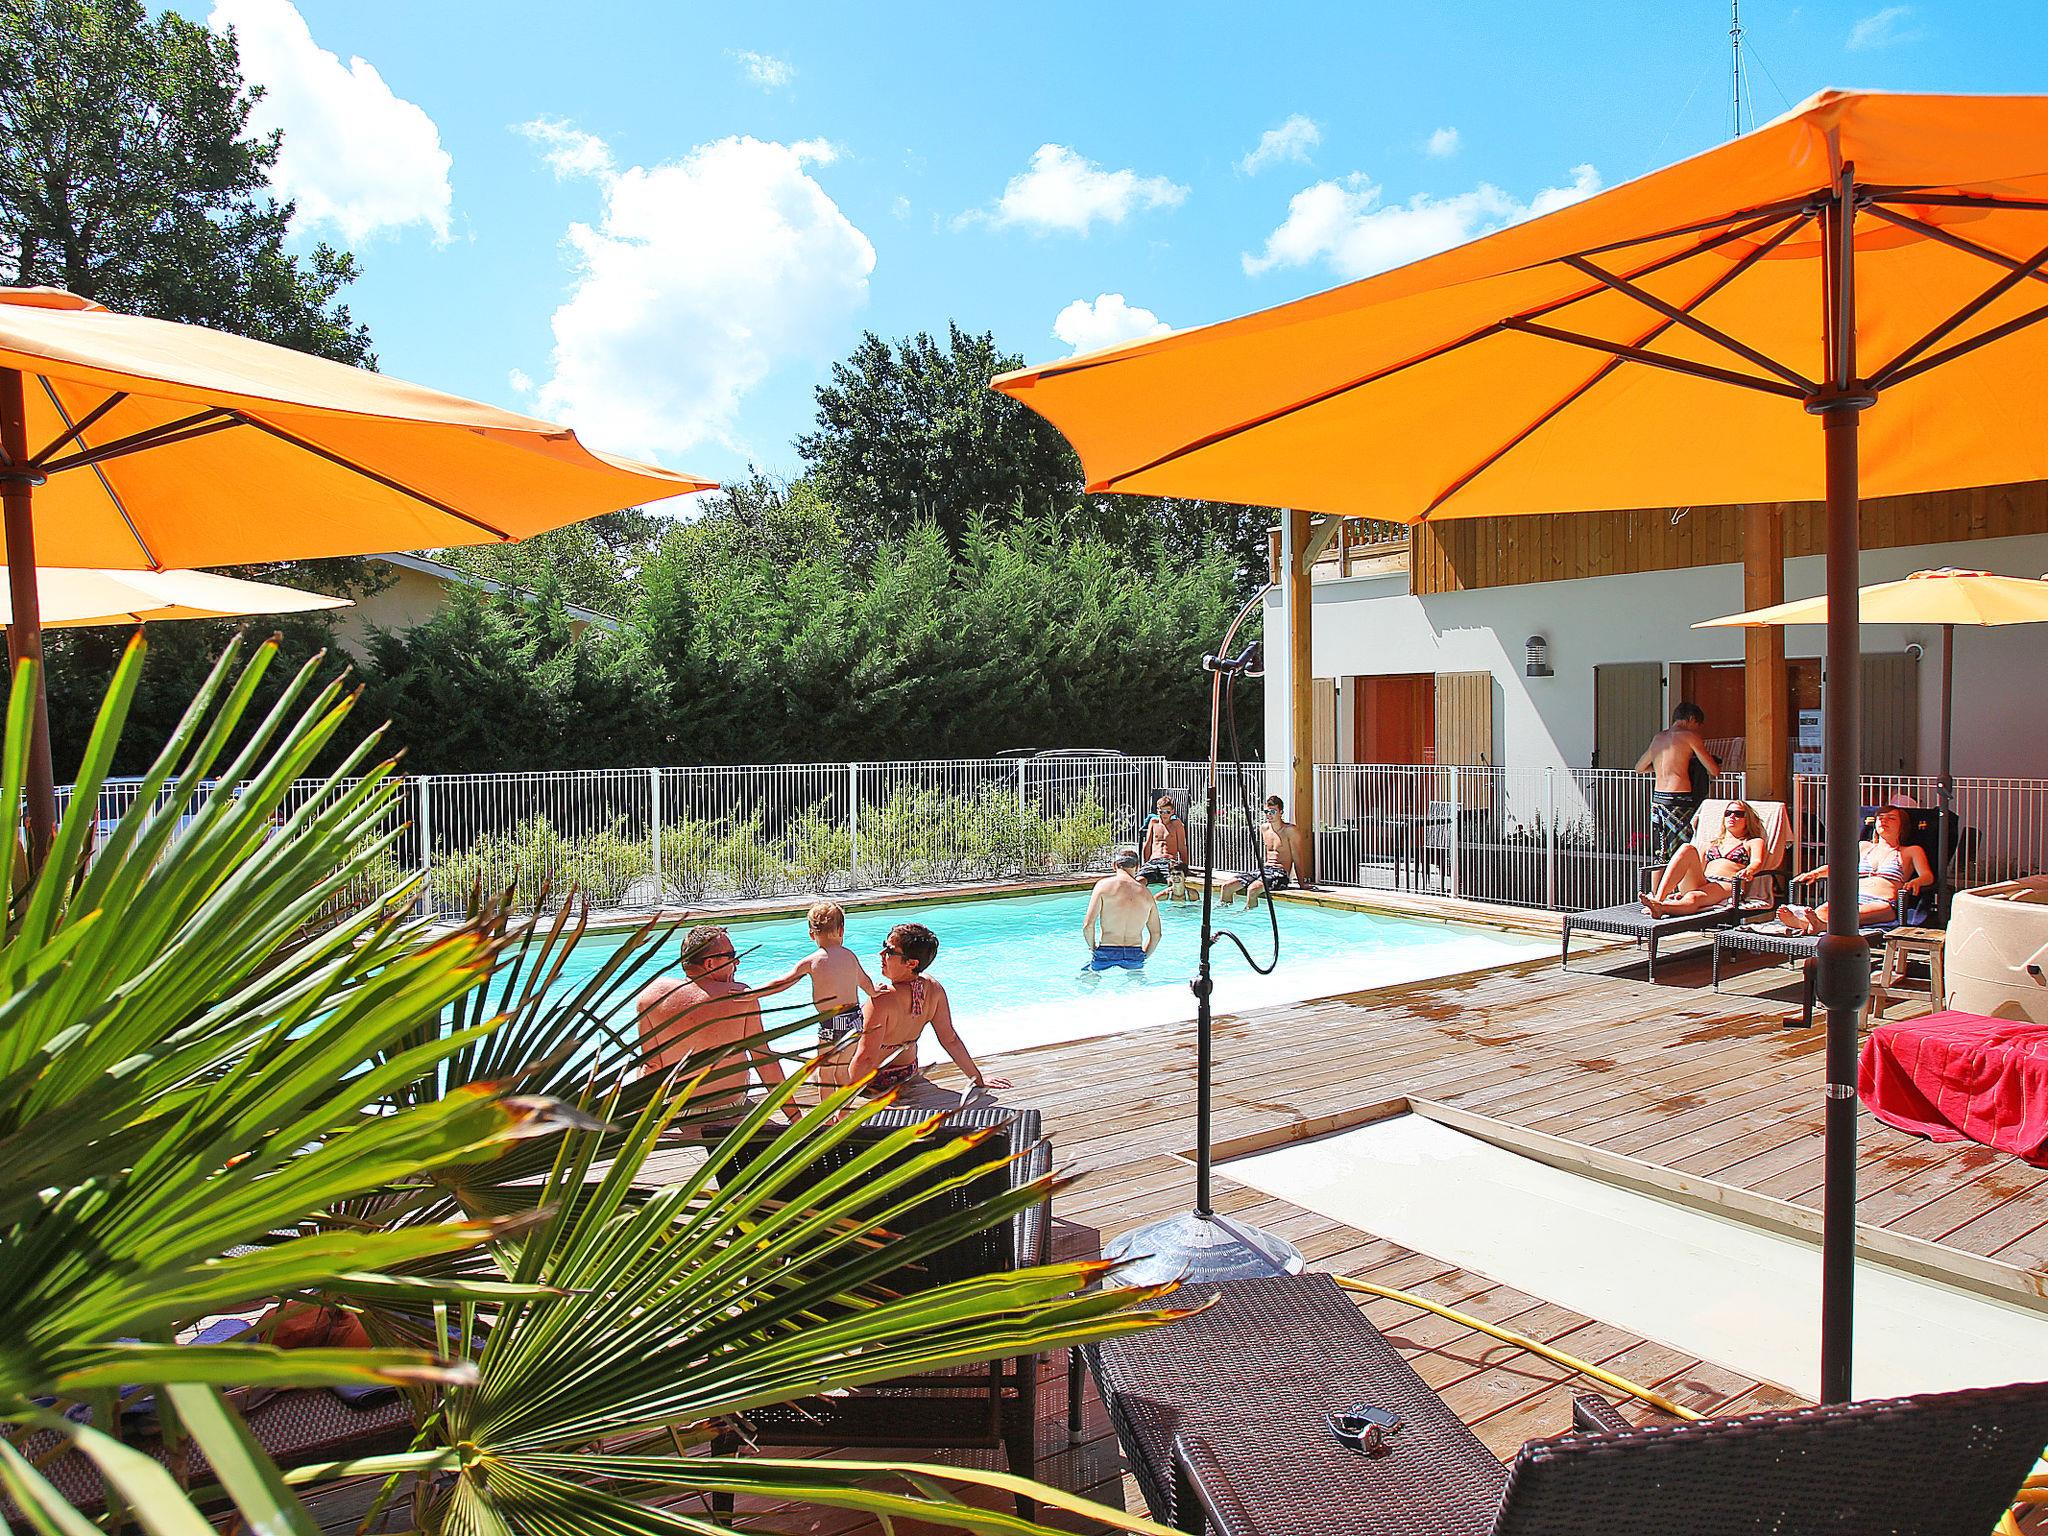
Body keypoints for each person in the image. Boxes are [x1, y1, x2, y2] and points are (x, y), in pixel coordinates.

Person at [846, 922, 1010, 1109]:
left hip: (874, 1080)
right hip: (906, 1073)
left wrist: (840, 1105)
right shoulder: (933, 989)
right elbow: (950, 1039)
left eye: (889, 951)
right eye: (884, 946)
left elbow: (866, 1058)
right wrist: (977, 1079)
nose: (881, 954)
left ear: (911, 963)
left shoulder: (882, 999)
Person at [635, 925, 788, 1109]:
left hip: (675, 1113)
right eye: (731, 956)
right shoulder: (740, 997)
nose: (737, 962)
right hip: (728, 1108)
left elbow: (651, 1066)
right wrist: (795, 1118)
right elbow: (763, 1060)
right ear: (709, 964)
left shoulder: (651, 996)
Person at [753, 900, 877, 1091]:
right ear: (841, 930)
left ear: (812, 934)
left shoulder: (812, 961)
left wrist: (753, 994)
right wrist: (876, 992)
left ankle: (826, 1111)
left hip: (831, 1023)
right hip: (854, 1020)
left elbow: (782, 983)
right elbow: (865, 982)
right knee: (843, 1070)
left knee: (825, 1073)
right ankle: (843, 1107)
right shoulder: (850, 956)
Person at [1777, 801, 1933, 934]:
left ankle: (1808, 924)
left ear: (1902, 826)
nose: (1884, 821)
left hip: (1883, 902)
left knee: (1849, 914)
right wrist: (1815, 873)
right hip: (1853, 898)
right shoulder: (1864, 847)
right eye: (1880, 818)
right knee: (1824, 909)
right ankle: (1811, 924)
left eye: (1891, 818)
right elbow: (1839, 867)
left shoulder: (1910, 851)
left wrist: (1917, 881)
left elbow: (1927, 876)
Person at [1640, 801, 1767, 917]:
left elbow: (1757, 861)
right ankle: (1659, 899)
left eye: (1738, 814)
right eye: (1728, 813)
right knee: (1687, 848)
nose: (1732, 817)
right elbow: (1698, 868)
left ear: (1747, 820)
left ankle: (1661, 908)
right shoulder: (1711, 843)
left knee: (1693, 896)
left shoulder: (1752, 842)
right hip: (1704, 881)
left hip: (1727, 884)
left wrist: (1749, 870)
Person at [1635, 703, 1720, 859]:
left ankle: (1660, 876)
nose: (1697, 730)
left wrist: (1663, 768)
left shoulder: (1658, 738)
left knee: (1661, 851)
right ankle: (1682, 876)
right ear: (1691, 719)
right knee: (1684, 849)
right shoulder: (1689, 736)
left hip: (1658, 799)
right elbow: (1714, 770)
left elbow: (1639, 768)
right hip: (1679, 798)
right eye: (1697, 725)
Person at [1217, 795, 1304, 911]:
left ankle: (1248, 916)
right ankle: (1224, 915)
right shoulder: (1264, 828)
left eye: (1273, 811)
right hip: (1264, 870)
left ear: (1281, 812)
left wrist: (1302, 884)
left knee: (1252, 890)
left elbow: (1297, 858)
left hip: (1280, 873)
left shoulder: (1290, 830)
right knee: (1226, 887)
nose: (1269, 815)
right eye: (1267, 812)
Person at [1083, 847, 1163, 970]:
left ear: (1114, 865)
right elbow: (1156, 934)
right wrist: (1144, 956)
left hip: (1107, 950)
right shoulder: (1146, 894)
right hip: (1134, 953)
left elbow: (1088, 925)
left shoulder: (1103, 886)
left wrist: (1093, 949)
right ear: (1137, 867)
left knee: (1087, 974)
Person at [1138, 791, 1191, 902]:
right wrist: (1145, 864)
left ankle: (1172, 908)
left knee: (1173, 883)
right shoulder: (1153, 822)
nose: (1164, 814)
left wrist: (1185, 868)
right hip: (1153, 861)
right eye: (1161, 811)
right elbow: (1148, 844)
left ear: (1172, 812)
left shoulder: (1177, 824)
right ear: (1158, 810)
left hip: (1168, 862)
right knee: (1138, 881)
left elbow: (1182, 847)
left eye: (1167, 812)